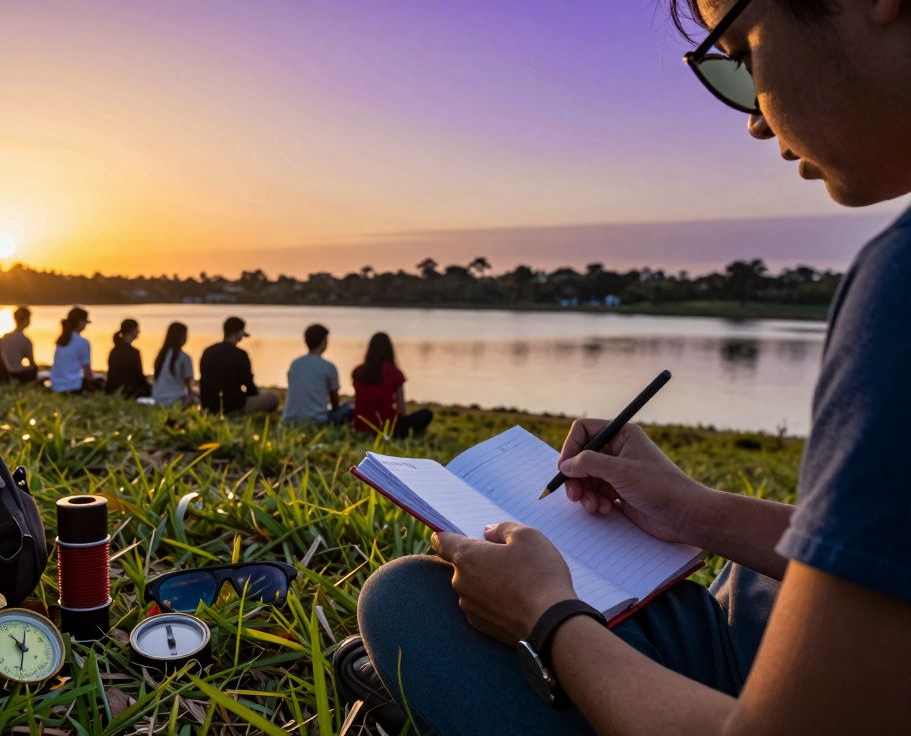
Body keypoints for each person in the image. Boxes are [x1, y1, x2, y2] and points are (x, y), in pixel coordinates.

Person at [353, 1, 911, 734]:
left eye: (742, 55)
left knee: (406, 602)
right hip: (794, 647)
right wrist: (692, 508)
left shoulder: (899, 285)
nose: (754, 120)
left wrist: (551, 617)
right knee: (759, 572)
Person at [350, 332, 431, 438]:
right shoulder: (394, 372)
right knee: (427, 413)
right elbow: (402, 410)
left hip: (361, 426)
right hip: (389, 428)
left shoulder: (358, 372)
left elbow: (360, 401)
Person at [198, 316, 278, 415]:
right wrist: (256, 394)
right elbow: (249, 386)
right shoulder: (241, 355)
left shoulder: (208, 351)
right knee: (273, 397)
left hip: (208, 405)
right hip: (233, 406)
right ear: (239, 332)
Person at [283, 323, 352, 425]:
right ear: (324, 342)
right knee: (349, 407)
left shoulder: (295, 364)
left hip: (289, 419)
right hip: (317, 421)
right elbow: (335, 404)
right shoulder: (329, 367)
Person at [152, 321, 198, 407]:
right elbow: (189, 388)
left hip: (157, 399)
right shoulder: (184, 357)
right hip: (174, 400)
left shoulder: (161, 356)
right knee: (195, 399)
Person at [50, 307, 93, 393]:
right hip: (73, 386)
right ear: (80, 322)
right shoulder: (83, 342)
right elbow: (87, 369)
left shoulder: (61, 340)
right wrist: (91, 384)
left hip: (56, 385)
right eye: (85, 322)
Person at [106, 318, 151, 398]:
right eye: (137, 329)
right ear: (132, 330)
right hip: (130, 391)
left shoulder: (114, 351)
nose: (138, 332)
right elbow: (139, 376)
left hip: (114, 390)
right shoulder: (134, 352)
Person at [0, 307, 38, 382]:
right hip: (17, 373)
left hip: (5, 371)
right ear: (26, 320)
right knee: (35, 369)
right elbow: (31, 361)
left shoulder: (5, 336)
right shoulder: (25, 340)